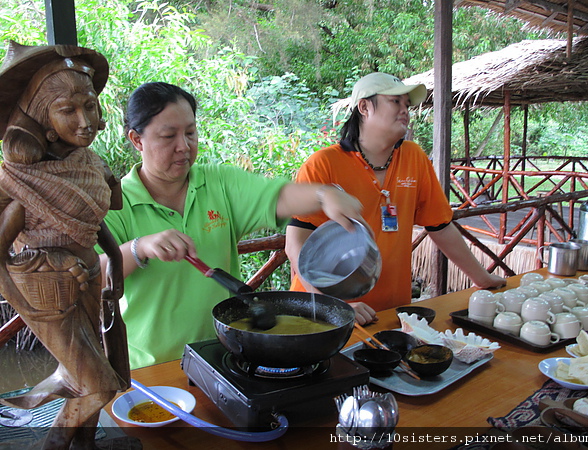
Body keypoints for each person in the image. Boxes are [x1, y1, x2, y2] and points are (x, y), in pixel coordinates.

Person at [98, 82, 363, 370]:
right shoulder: (114, 202)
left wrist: (324, 196)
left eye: (190, 133)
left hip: (224, 357)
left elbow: (278, 196)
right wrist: (139, 248)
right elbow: (91, 276)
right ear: (137, 140)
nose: (183, 147)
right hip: (153, 369)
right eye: (168, 136)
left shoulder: (218, 183)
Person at [285, 72, 506, 325]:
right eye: (395, 102)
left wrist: (482, 278)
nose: (405, 111)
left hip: (392, 313)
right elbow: (295, 245)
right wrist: (332, 305)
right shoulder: (323, 164)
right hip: (325, 317)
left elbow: (440, 227)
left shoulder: (414, 157)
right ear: (364, 107)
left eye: (407, 104)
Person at [0, 42, 128, 448]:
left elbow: (92, 224)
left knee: (84, 378)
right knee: (100, 387)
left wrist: (116, 264)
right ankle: (54, 443)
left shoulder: (88, 166)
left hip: (90, 279)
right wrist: (26, 305)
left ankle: (85, 443)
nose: (85, 120)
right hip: (47, 295)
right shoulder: (23, 185)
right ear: (46, 122)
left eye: (90, 106)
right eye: (68, 110)